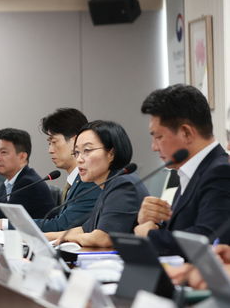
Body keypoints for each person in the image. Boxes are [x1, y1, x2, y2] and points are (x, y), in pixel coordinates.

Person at [133, 84, 230, 256]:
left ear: (186, 132)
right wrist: (152, 222)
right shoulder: (191, 170)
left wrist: (150, 234)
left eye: (158, 137)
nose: (154, 147)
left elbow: (205, 239)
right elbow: (182, 229)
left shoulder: (220, 172)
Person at [46, 120, 148, 248]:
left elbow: (103, 238)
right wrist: (41, 236)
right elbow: (84, 230)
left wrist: (68, 238)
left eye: (87, 150)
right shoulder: (108, 184)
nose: (79, 159)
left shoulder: (123, 184)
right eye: (76, 152)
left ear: (111, 153)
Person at [34, 108, 100, 231]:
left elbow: (62, 226)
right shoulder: (74, 181)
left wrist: (8, 225)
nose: (50, 150)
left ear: (75, 141)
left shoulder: (90, 182)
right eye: (49, 143)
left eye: (54, 142)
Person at [0, 128, 54, 220]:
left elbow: (3, 218)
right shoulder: (10, 181)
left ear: (22, 157)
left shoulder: (28, 183)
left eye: (3, 152)